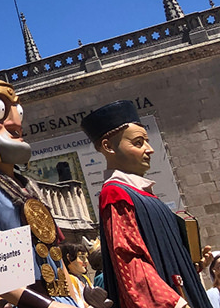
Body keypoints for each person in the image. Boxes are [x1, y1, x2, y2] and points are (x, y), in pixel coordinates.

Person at [0, 61, 79, 308]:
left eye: (17, 110)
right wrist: (45, 305)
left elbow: (55, 253)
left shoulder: (27, 186)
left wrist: (75, 299)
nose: (15, 121)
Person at [81, 100, 210, 308]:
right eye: (138, 143)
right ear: (108, 147)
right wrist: (172, 302)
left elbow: (160, 257)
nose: (150, 150)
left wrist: (189, 265)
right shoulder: (115, 193)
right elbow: (129, 260)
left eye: (147, 142)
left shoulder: (140, 193)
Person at [62, 243, 91, 308]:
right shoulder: (70, 279)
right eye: (81, 257)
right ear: (69, 258)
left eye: (86, 257)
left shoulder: (84, 278)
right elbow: (78, 302)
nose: (86, 261)